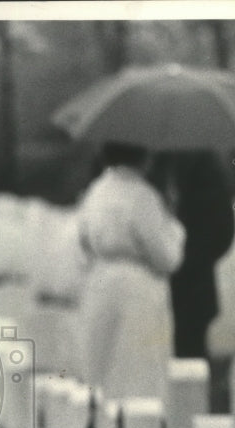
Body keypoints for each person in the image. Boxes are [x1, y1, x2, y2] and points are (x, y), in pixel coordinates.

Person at [76, 142, 185, 401]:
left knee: (102, 368)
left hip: (100, 284)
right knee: (138, 374)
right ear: (144, 156)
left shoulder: (96, 192)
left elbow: (83, 241)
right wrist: (173, 223)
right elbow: (168, 258)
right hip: (138, 290)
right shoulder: (143, 197)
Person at [153, 151, 235, 359]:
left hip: (189, 290)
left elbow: (222, 229)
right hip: (170, 290)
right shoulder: (142, 159)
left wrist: (183, 260)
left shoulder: (200, 163)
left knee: (188, 362)